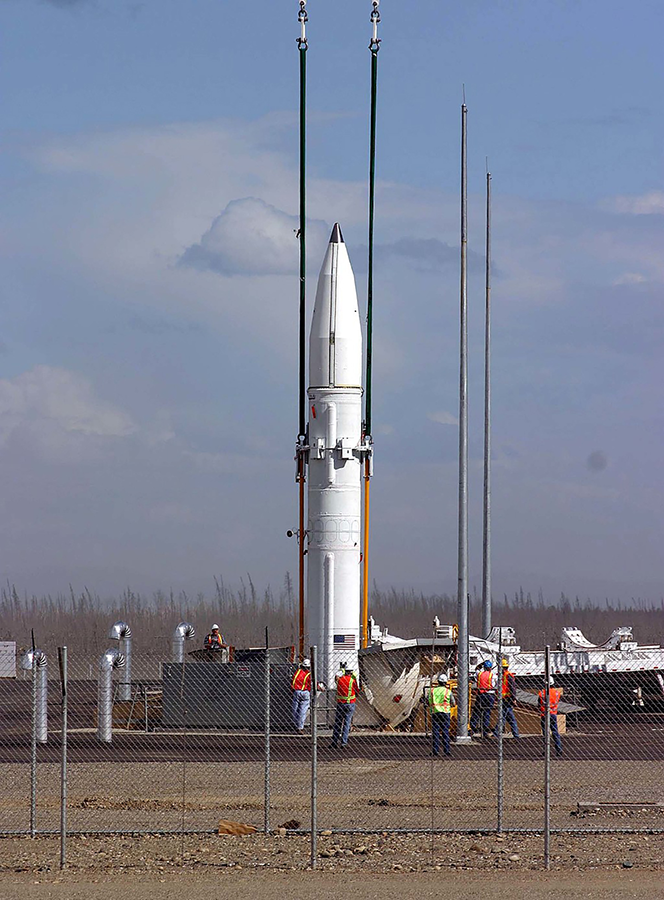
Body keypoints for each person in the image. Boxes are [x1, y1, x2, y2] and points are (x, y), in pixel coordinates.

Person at [428, 673, 455, 757]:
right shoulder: (448, 691)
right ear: (446, 682)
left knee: (435, 732)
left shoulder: (432, 691)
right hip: (445, 713)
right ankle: (446, 751)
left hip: (435, 712)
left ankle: (435, 751)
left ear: (438, 682)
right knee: (445, 732)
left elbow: (429, 701)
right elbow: (453, 703)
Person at [330, 663, 357, 749]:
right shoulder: (352, 680)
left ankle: (334, 742)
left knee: (338, 723)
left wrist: (341, 669)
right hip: (350, 704)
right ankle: (343, 743)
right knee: (346, 723)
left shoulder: (339, 680)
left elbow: (336, 677)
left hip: (340, 704)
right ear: (351, 672)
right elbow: (356, 690)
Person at [492, 658, 520, 739]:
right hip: (504, 699)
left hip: (507, 699)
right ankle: (516, 735)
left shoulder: (508, 676)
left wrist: (513, 699)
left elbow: (513, 688)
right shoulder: (502, 675)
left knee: (503, 716)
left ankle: (496, 732)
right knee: (509, 717)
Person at [469, 660, 497, 738]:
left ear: (484, 667)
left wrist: (482, 663)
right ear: (490, 668)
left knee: (477, 712)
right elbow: (496, 684)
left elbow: (477, 668)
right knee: (487, 713)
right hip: (490, 695)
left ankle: (472, 729)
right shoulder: (493, 676)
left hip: (481, 694)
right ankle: (484, 732)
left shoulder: (479, 674)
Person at [539, 676, 563, 757]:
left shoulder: (542, 692)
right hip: (553, 714)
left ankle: (546, 751)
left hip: (544, 714)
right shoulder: (557, 693)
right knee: (555, 732)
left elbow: (539, 703)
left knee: (546, 734)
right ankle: (559, 749)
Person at [291, 658, 312, 732]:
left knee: (295, 709)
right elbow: (310, 683)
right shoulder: (308, 674)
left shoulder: (297, 672)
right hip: (305, 692)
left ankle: (295, 724)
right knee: (302, 711)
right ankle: (300, 727)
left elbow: (293, 681)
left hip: (296, 691)